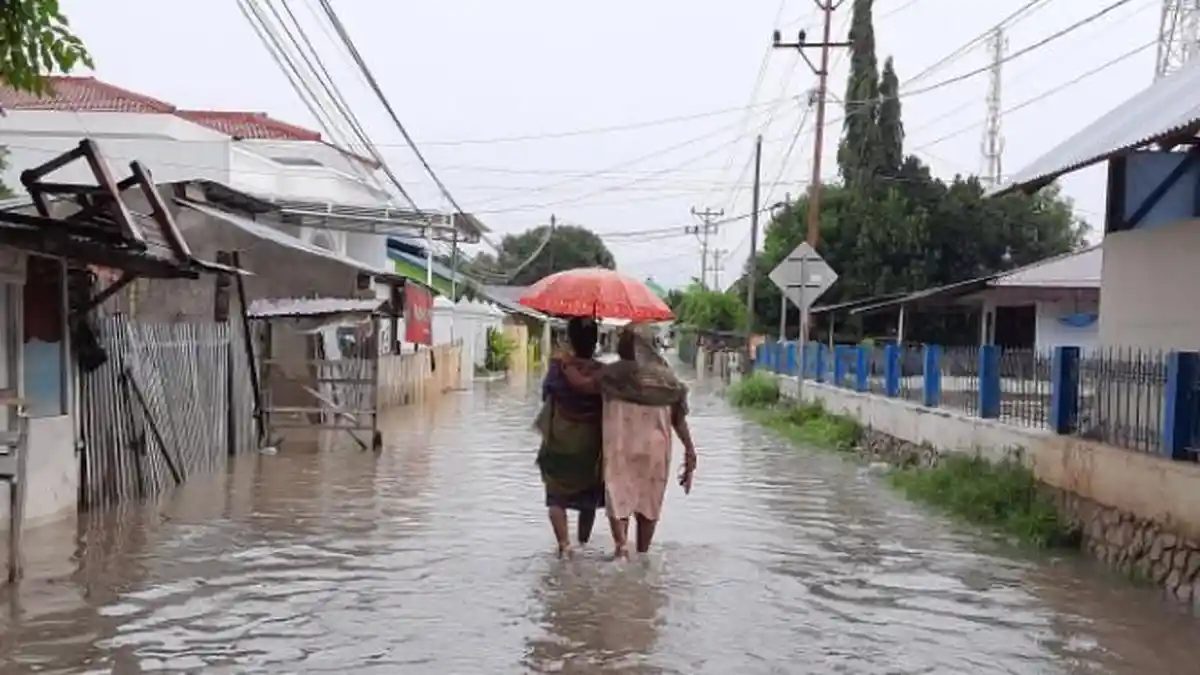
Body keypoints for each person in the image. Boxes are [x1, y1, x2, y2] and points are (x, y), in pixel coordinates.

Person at [597, 325, 697, 558]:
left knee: (618, 494)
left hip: (620, 445)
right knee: (649, 501)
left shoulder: (610, 376)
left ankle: (621, 547)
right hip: (655, 448)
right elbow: (678, 419)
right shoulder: (668, 379)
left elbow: (593, 408)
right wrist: (690, 450)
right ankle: (643, 553)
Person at [536, 317, 605, 558]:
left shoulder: (558, 368)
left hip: (560, 440)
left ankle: (564, 546)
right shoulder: (602, 373)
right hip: (591, 445)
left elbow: (546, 395)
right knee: (589, 496)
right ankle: (583, 544)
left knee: (556, 496)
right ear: (595, 341)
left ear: (570, 339)